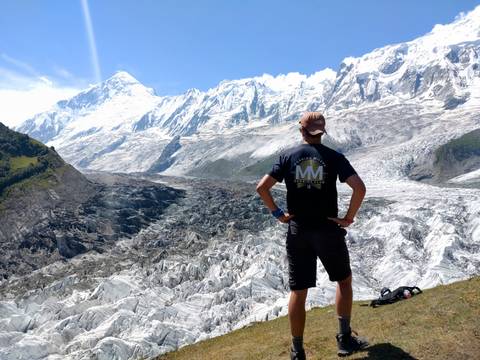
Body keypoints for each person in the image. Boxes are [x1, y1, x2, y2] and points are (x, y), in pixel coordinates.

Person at [256, 112, 369, 359]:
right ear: (322, 132)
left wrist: (277, 213)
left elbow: (261, 187)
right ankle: (344, 339)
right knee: (344, 281)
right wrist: (348, 218)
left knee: (298, 291)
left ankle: (297, 351)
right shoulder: (334, 157)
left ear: (302, 131)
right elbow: (359, 188)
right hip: (328, 229)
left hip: (298, 231)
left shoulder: (287, 157)